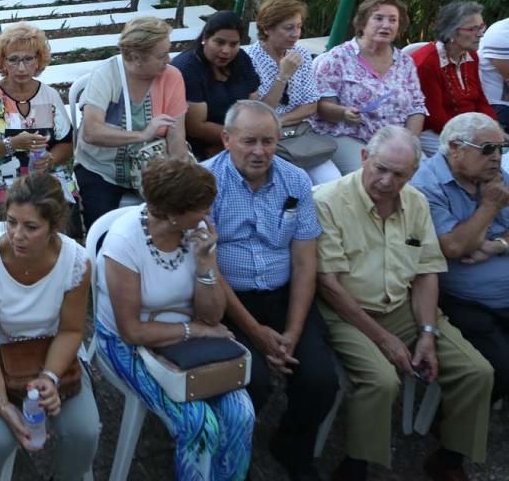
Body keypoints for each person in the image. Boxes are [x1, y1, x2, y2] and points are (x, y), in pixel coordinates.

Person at [314, 126, 494, 481]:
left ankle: (449, 459)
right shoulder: (327, 200)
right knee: (382, 381)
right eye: (380, 168)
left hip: (401, 306)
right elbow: (331, 287)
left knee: (477, 371)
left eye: (399, 174)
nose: (386, 180)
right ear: (364, 157)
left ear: (412, 173)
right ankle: (354, 466)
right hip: (348, 314)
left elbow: (426, 272)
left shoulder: (415, 201)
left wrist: (427, 332)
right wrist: (384, 340)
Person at [97, 159, 254, 481]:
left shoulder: (195, 232)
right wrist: (193, 329)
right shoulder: (124, 244)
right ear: (172, 214)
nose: (208, 216)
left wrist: (204, 265)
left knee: (242, 414)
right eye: (202, 208)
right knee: (198, 423)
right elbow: (131, 331)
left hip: (189, 340)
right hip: (128, 343)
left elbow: (213, 315)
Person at [206, 101, 338, 479]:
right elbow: (208, 269)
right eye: (249, 141)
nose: (260, 151)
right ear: (227, 139)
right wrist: (257, 333)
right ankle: (233, 455)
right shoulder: (206, 184)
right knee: (252, 379)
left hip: (283, 296)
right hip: (230, 301)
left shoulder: (295, 180)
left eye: (268, 141)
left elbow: (304, 261)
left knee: (318, 379)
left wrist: (293, 331)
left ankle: (292, 444)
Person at [0, 173, 99, 479]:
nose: (17, 235)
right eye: (11, 222)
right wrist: (1, 404)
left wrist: (50, 377)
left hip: (52, 349)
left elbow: (71, 331)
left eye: (31, 227)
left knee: (84, 432)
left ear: (55, 226)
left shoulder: (76, 262)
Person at [409, 112, 509, 405]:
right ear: (455, 147)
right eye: (488, 149)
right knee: (499, 368)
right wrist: (489, 207)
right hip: (462, 300)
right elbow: (453, 247)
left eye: (501, 148)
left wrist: (499, 245)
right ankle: (450, 428)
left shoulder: (493, 174)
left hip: (499, 290)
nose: (497, 157)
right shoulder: (426, 187)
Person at [74, 16, 190, 229]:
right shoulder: (106, 75)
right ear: (136, 57)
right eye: (162, 55)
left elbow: (176, 136)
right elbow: (91, 131)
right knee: (101, 231)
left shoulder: (172, 76)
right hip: (102, 169)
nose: (169, 60)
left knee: (176, 217)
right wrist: (142, 135)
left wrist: (178, 178)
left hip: (152, 167)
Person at [0, 23, 74, 223]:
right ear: (3, 63)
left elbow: (65, 143)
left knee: (62, 222)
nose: (21, 67)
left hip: (43, 176)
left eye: (28, 59)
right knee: (9, 225)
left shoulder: (47, 97)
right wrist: (12, 144)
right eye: (13, 60)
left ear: (38, 61)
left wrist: (49, 159)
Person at [312, 0, 427, 173]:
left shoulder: (405, 62)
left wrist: (408, 140)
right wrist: (344, 112)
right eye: (379, 18)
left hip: (394, 140)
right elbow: (322, 106)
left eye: (392, 20)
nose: (386, 25)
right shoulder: (337, 58)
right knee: (371, 175)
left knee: (424, 177)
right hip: (350, 136)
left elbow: (417, 108)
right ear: (363, 23)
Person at [242, 0, 340, 184]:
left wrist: (280, 121)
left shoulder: (301, 54)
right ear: (267, 29)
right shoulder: (248, 59)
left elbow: (311, 105)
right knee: (294, 184)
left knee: (332, 181)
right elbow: (258, 111)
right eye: (288, 28)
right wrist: (283, 76)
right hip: (263, 138)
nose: (296, 34)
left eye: (298, 26)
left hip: (297, 134)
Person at [171, 11, 260, 159]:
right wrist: (239, 140)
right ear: (205, 38)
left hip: (238, 141)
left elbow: (253, 102)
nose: (226, 51)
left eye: (234, 44)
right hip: (200, 149)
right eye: (219, 42)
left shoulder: (242, 59)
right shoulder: (187, 68)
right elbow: (196, 127)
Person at [413, 1, 496, 155]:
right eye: (473, 29)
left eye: (481, 27)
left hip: (469, 131)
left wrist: (494, 128)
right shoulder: (427, 63)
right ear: (451, 32)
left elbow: (480, 101)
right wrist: (474, 140)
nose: (481, 34)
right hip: (436, 133)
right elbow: (435, 117)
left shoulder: (470, 56)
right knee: (478, 161)